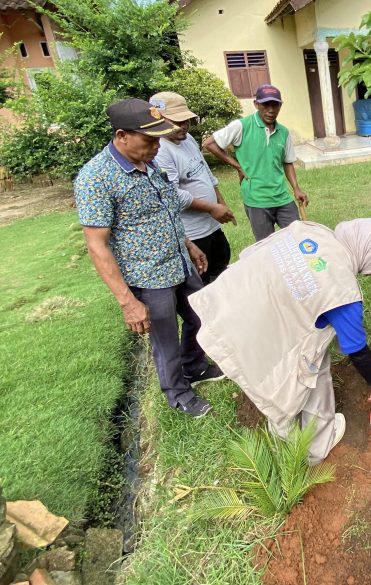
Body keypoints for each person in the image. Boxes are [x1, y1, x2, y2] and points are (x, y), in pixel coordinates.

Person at [188, 218, 371, 463]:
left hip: (232, 303)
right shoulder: (342, 291)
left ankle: (281, 430)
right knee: (314, 363)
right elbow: (357, 349)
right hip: (259, 324)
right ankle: (317, 445)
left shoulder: (314, 230)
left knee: (262, 366)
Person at [74, 99, 227, 418]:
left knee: (202, 315)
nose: (157, 146)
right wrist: (127, 301)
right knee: (165, 338)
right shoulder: (96, 178)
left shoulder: (150, 163)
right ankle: (177, 392)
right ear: (122, 135)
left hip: (180, 262)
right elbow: (97, 246)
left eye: (158, 138)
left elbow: (166, 210)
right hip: (148, 276)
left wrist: (189, 245)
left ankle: (195, 366)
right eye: (149, 140)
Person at [202, 84, 309, 241]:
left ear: (280, 106)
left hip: (282, 197)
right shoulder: (242, 126)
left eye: (275, 105)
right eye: (266, 104)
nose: (271, 110)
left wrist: (296, 188)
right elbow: (209, 144)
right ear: (256, 104)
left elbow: (287, 162)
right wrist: (237, 166)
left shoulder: (284, 132)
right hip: (256, 199)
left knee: (298, 239)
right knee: (267, 247)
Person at [149, 91, 236, 284]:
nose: (184, 125)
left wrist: (221, 203)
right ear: (159, 119)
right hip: (193, 233)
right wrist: (212, 208)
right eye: (177, 122)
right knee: (202, 282)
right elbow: (172, 195)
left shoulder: (187, 139)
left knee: (222, 271)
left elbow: (205, 173)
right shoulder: (160, 151)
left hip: (212, 225)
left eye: (186, 120)